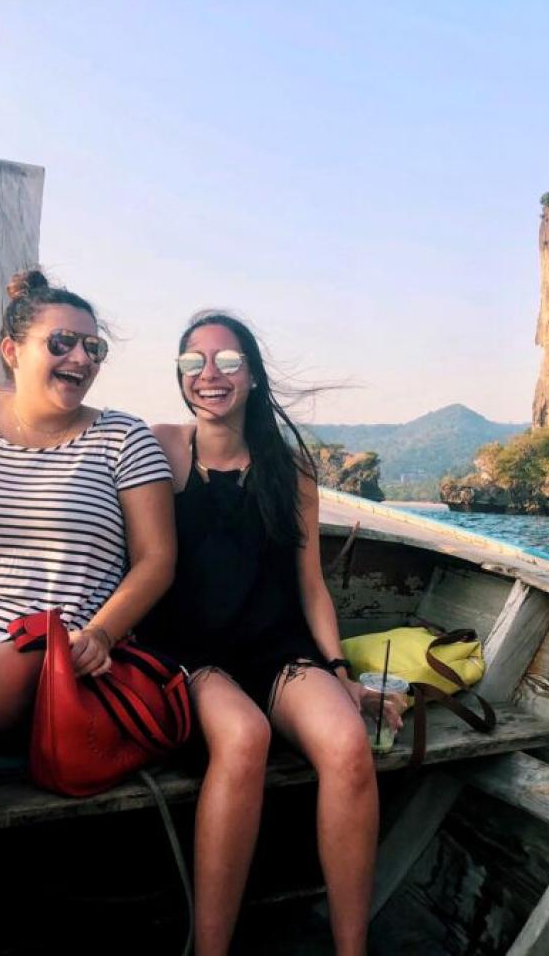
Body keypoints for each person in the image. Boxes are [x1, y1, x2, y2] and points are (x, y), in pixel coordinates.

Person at [0, 269, 176, 905]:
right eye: (62, 343)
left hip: (48, 646)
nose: (81, 357)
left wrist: (102, 632)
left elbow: (157, 559)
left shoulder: (124, 438)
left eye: (94, 348)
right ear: (13, 350)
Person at [141, 310, 396, 956]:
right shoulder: (159, 448)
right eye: (193, 362)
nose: (209, 374)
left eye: (227, 361)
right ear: (178, 377)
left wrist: (342, 675)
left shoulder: (290, 471)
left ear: (251, 375)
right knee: (246, 737)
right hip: (191, 656)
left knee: (346, 746)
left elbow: (311, 586)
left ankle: (351, 949)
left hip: (277, 651)